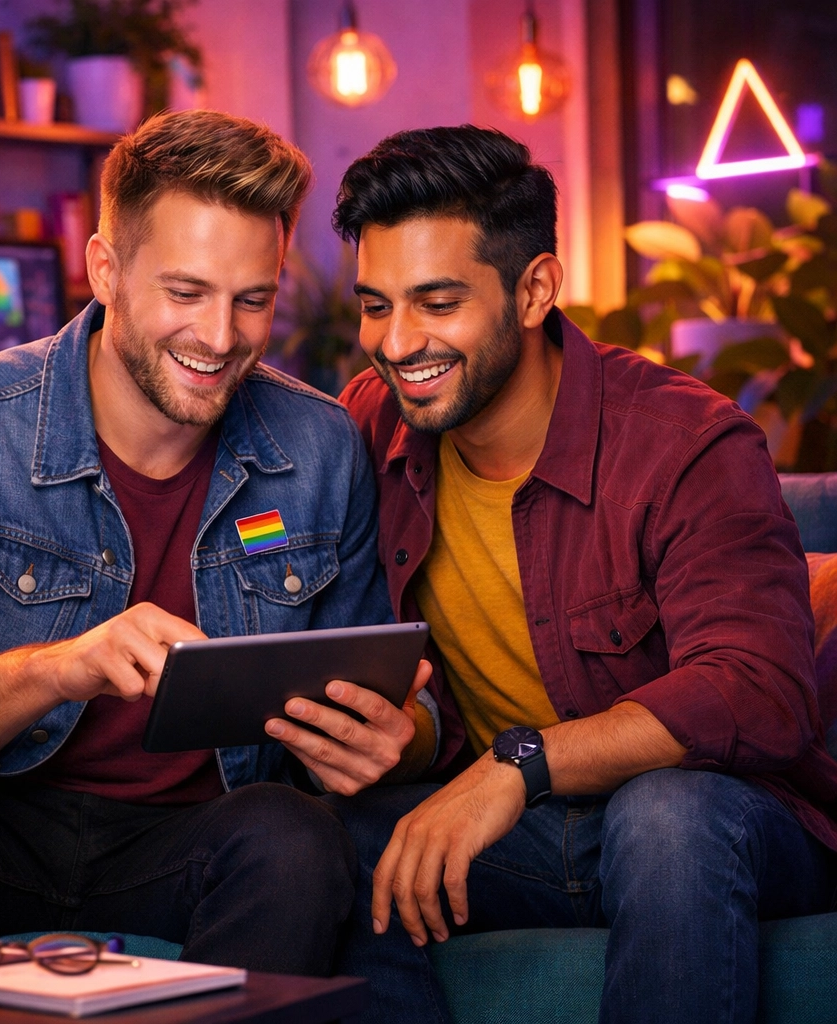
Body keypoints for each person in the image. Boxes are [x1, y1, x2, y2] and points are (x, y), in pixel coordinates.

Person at [0, 109, 436, 976]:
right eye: (186, 293)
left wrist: (395, 729)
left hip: (186, 841)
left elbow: (380, 674)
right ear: (105, 268)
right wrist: (62, 665)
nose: (220, 339)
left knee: (296, 839)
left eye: (252, 300)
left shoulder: (321, 446)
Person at [330, 124, 837, 1023]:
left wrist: (517, 764)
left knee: (666, 816)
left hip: (721, 823)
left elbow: (762, 692)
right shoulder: (372, 424)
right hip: (523, 835)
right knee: (319, 843)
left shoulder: (686, 444)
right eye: (376, 304)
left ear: (534, 289)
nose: (398, 343)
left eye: (436, 303)